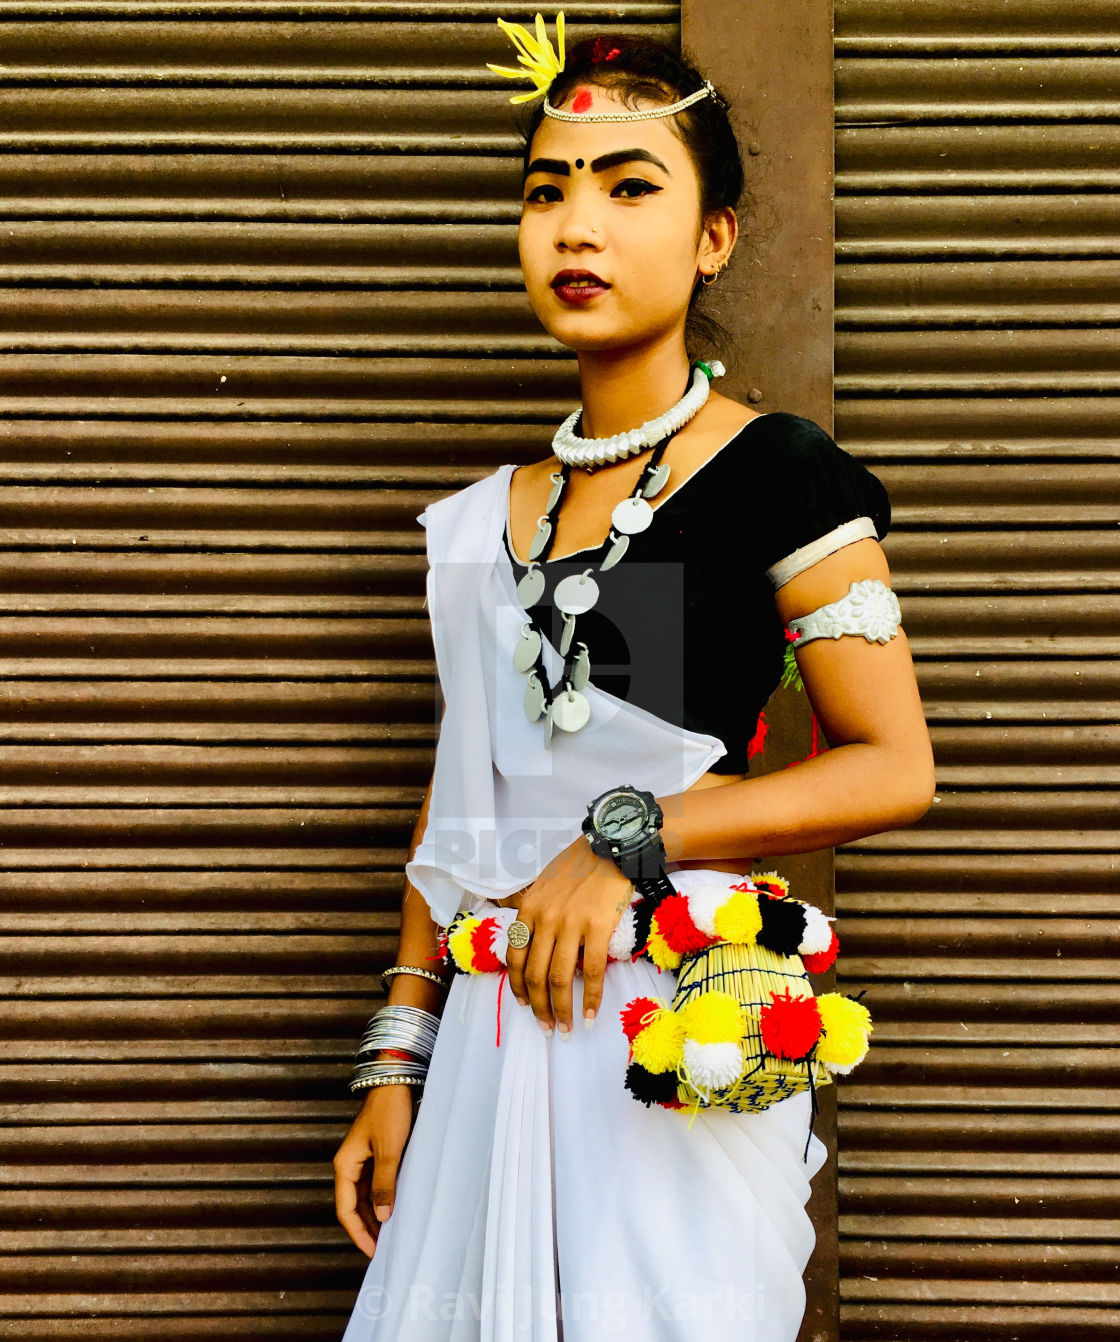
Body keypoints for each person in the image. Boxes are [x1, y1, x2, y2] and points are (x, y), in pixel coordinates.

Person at [334, 16, 935, 1341]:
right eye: (547, 191)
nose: (575, 227)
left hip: (671, 1050)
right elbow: (466, 805)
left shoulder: (778, 473)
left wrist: (633, 835)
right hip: (494, 1051)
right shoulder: (488, 516)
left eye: (628, 185)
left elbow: (893, 764)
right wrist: (397, 1057)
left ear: (714, 235)